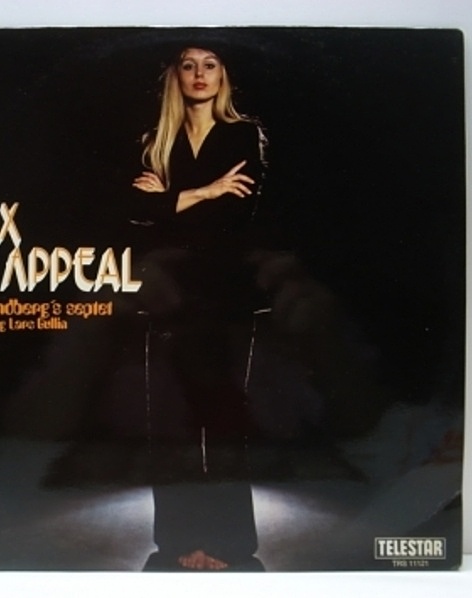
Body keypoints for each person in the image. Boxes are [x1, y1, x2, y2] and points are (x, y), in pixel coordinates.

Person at [130, 45, 266, 572]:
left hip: (225, 296)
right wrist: (208, 191)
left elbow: (236, 215)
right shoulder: (155, 142)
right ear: (176, 75)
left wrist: (172, 200)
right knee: (171, 419)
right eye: (189, 65)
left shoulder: (242, 135)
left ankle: (230, 543)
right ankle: (179, 541)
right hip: (168, 296)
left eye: (210, 65)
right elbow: (135, 211)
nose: (199, 74)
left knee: (225, 418)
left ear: (223, 75)